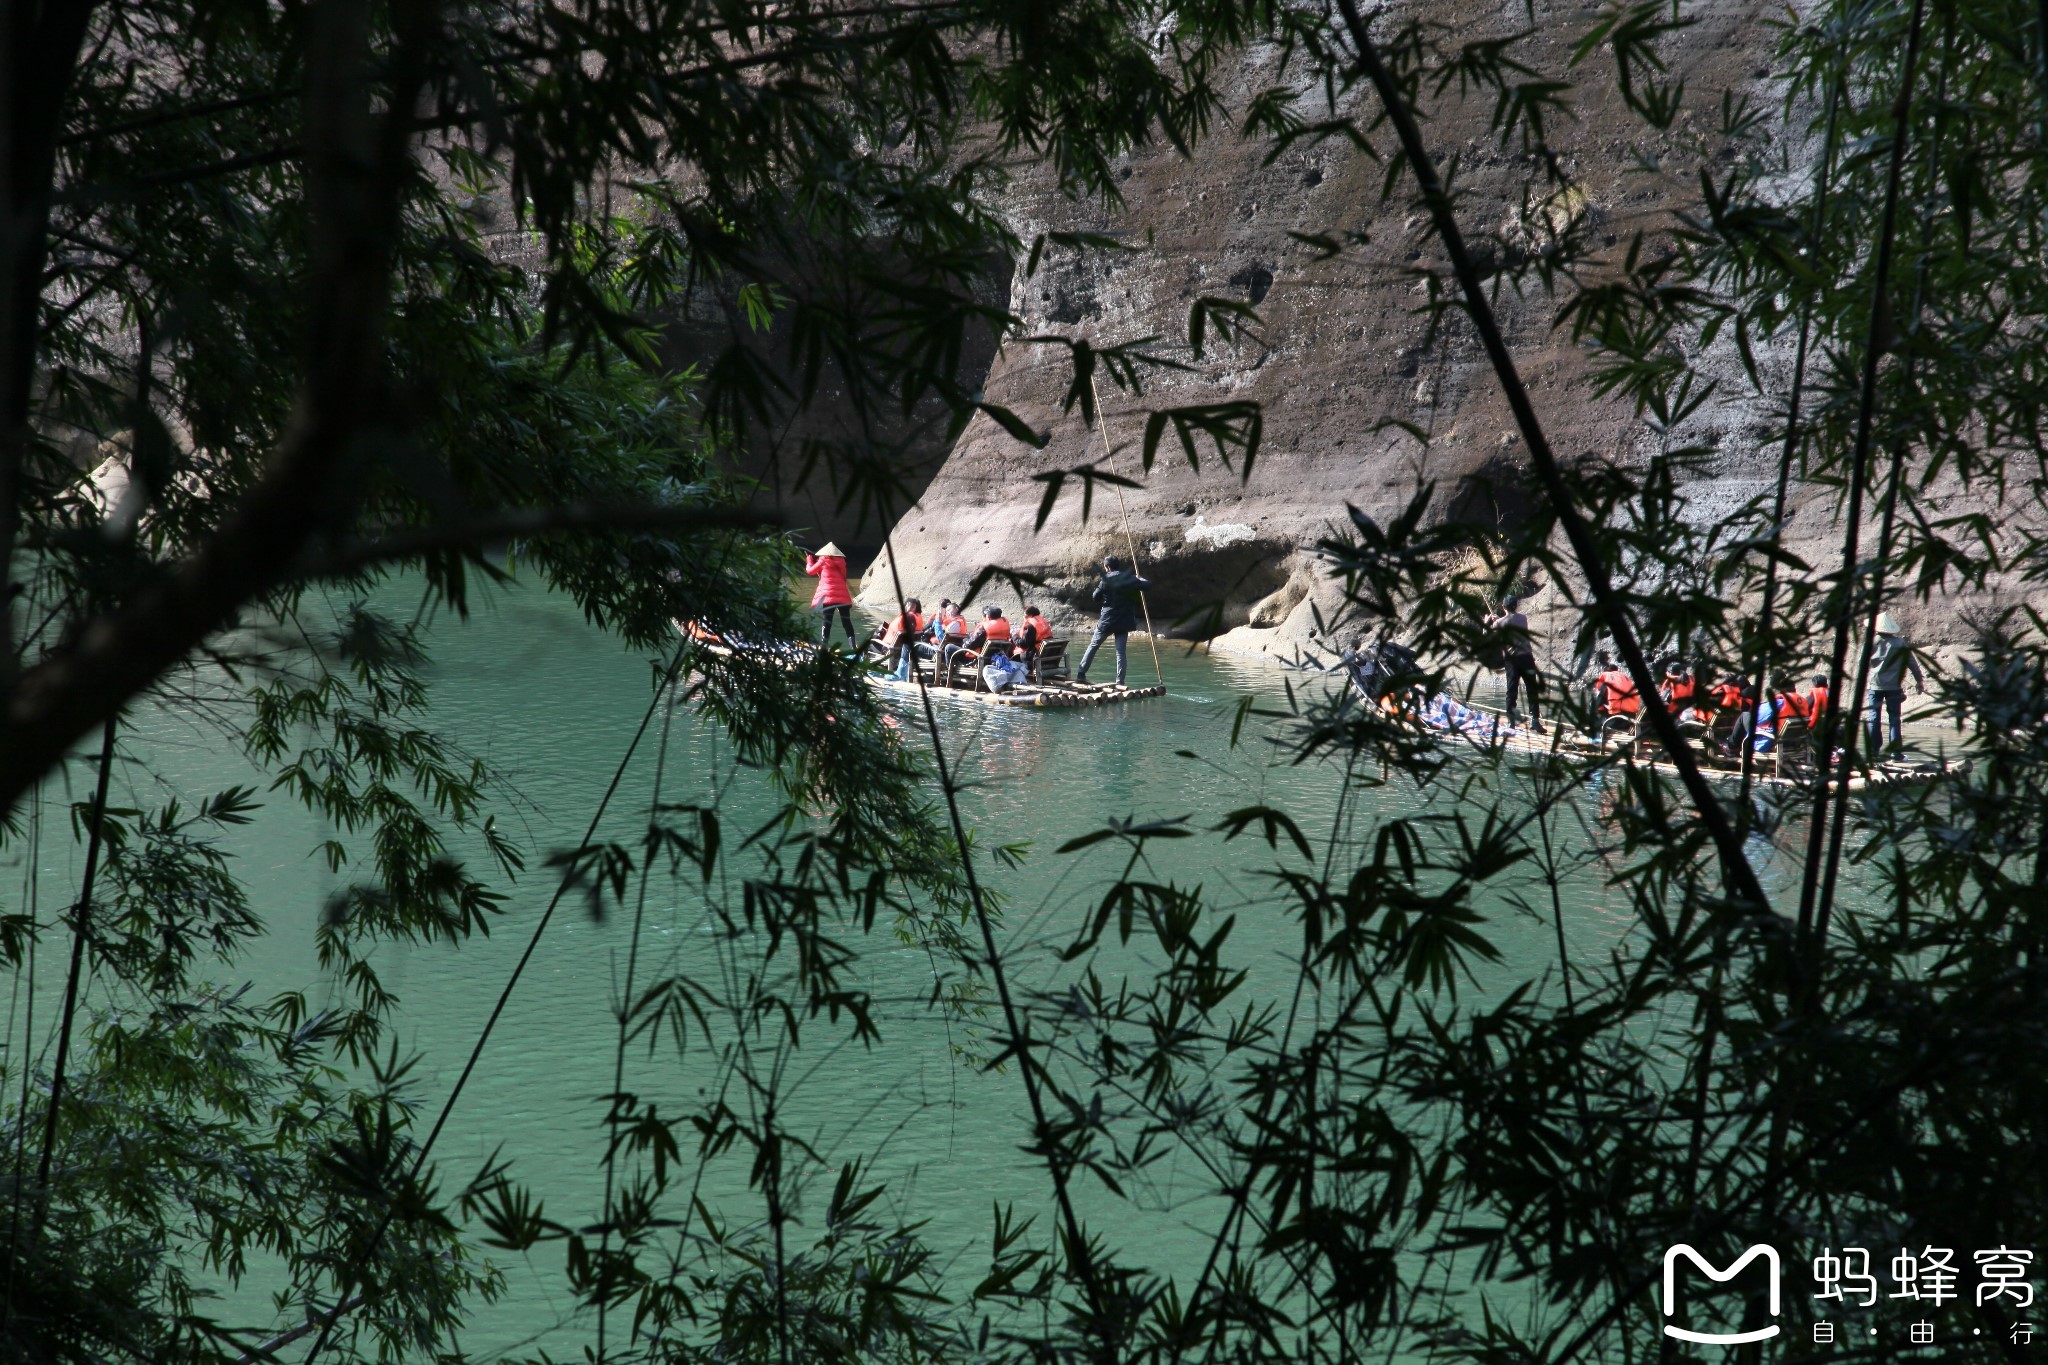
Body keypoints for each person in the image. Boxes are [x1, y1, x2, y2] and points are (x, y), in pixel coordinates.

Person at [1075, 554, 1152, 687]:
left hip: (1107, 621)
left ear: (1107, 567)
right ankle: (1120, 681)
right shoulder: (1130, 578)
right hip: (1124, 622)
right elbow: (1148, 585)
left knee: (1093, 646)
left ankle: (1081, 674)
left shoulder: (1105, 579)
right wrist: (1139, 579)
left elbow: (1095, 597)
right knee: (1120, 652)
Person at [1865, 611, 1926, 753]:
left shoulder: (1871, 642)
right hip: (1894, 686)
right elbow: (1912, 663)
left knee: (1874, 717)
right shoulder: (1900, 643)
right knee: (1894, 718)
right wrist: (1919, 681)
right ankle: (1895, 752)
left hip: (1874, 685)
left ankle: (1873, 751)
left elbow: (1863, 664)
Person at [1485, 594, 1545, 733]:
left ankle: (1511, 722)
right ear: (1516, 606)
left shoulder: (1499, 623)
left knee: (1511, 691)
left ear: (1503, 607)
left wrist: (1489, 622)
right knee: (1532, 689)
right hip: (1527, 658)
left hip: (1512, 661)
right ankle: (1535, 721)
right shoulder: (1523, 618)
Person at [805, 542, 856, 647]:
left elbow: (810, 571)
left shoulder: (822, 560)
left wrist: (809, 561)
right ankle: (853, 647)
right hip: (843, 597)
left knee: (827, 623)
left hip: (828, 597)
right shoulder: (842, 562)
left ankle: (824, 647)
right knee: (847, 623)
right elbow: (843, 577)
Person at [881, 598, 924, 681]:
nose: (909, 607)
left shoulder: (908, 617)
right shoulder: (918, 617)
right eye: (908, 605)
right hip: (903, 648)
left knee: (871, 641)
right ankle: (900, 673)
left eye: (911, 606)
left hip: (890, 648)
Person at [1591, 652, 1641, 717]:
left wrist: (1596, 709)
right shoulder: (1626, 678)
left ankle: (1602, 724)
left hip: (1618, 713)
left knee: (1594, 704)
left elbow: (1599, 700)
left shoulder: (1607, 678)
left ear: (1606, 671)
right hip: (1632, 713)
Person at [1017, 605, 1053, 670]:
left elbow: (1023, 645)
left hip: (1034, 660)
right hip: (1048, 657)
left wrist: (1014, 636)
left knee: (1015, 654)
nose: (1024, 618)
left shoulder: (1031, 626)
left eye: (1025, 616)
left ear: (1030, 616)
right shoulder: (1044, 623)